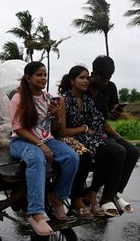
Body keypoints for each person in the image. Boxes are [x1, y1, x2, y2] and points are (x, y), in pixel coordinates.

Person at [9, 61, 79, 236]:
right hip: (21, 141)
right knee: (36, 158)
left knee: (72, 157)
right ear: (28, 77)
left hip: (46, 139)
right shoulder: (18, 98)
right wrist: (40, 145)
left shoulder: (48, 98)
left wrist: (56, 117)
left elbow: (53, 129)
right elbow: (18, 128)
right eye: (39, 75)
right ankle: (36, 214)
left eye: (45, 75)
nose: (43, 78)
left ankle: (57, 198)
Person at [88, 55, 140, 214]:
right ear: (93, 73)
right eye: (102, 78)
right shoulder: (83, 86)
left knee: (133, 151)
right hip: (87, 133)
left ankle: (113, 193)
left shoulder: (110, 87)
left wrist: (115, 113)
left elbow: (110, 113)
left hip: (103, 130)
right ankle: (105, 198)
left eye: (108, 78)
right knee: (118, 151)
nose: (105, 82)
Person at [56, 66, 99, 219]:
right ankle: (76, 198)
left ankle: (94, 194)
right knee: (85, 156)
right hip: (63, 138)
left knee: (108, 151)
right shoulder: (63, 100)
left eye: (87, 78)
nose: (86, 81)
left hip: (81, 136)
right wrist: (84, 128)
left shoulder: (87, 101)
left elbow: (94, 123)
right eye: (82, 77)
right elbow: (62, 132)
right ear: (72, 81)